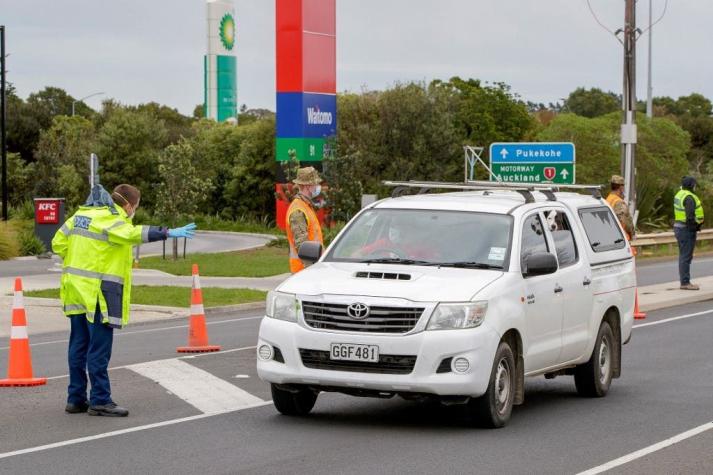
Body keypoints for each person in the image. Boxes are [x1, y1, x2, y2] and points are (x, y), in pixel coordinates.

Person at [51, 184, 196, 416]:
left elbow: (58, 243)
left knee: (78, 345)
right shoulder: (111, 219)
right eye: (135, 207)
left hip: (75, 291)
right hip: (98, 294)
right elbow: (133, 233)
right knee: (99, 348)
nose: (133, 212)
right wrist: (168, 232)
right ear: (128, 205)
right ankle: (100, 400)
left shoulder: (80, 216)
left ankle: (76, 398)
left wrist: (82, 256)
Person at [286, 167, 324, 273]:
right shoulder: (298, 210)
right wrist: (310, 271)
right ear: (308, 186)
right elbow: (302, 246)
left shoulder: (306, 206)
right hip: (303, 271)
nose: (318, 187)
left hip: (311, 268)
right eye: (315, 184)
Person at [673, 176, 705, 290]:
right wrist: (695, 228)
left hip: (680, 227)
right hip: (686, 229)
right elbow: (690, 217)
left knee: (684, 256)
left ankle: (684, 281)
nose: (695, 186)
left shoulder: (680, 194)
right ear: (691, 185)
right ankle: (685, 283)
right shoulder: (689, 198)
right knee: (686, 257)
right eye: (694, 184)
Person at [605, 175, 635, 241]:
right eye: (623, 186)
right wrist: (632, 234)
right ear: (621, 187)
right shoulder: (619, 202)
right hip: (622, 239)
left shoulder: (607, 199)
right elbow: (626, 222)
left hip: (610, 236)